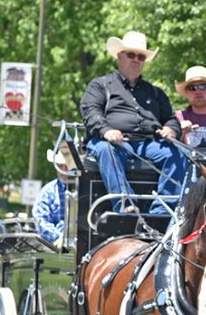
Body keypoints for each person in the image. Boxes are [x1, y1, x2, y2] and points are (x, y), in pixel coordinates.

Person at [79, 31, 187, 213]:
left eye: (141, 56)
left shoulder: (155, 92)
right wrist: (106, 130)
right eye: (131, 55)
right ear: (119, 56)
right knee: (107, 150)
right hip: (112, 143)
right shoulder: (100, 85)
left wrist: (171, 128)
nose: (136, 60)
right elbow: (90, 111)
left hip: (148, 144)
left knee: (177, 153)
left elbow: (170, 118)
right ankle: (125, 206)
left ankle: (163, 212)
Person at [175, 65, 206, 149]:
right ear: (186, 93)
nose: (198, 91)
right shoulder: (178, 117)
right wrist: (179, 131)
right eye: (192, 88)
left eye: (203, 86)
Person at [32, 147, 71, 245]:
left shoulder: (85, 189)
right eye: (60, 166)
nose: (63, 170)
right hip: (54, 247)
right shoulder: (48, 191)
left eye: (66, 166)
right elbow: (40, 220)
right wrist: (59, 238)